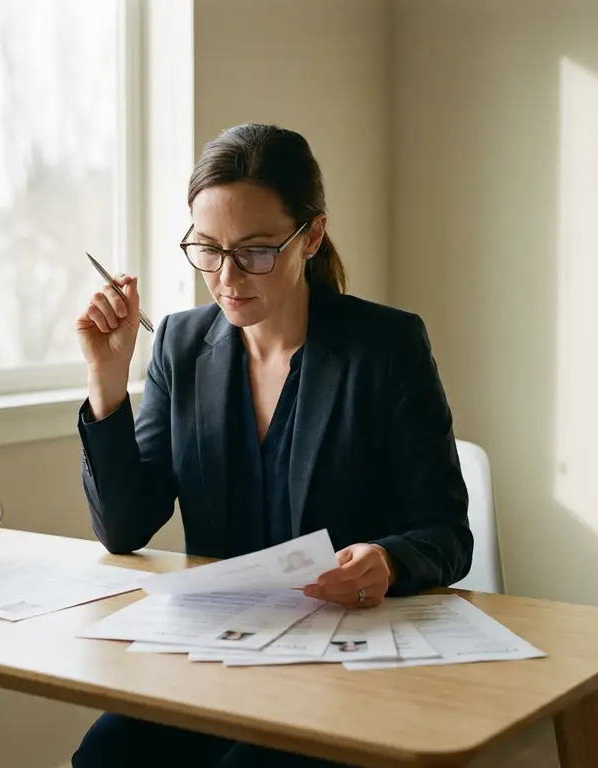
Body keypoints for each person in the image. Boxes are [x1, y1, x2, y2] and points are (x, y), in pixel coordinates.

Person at [71, 124, 473, 768]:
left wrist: (389, 561)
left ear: (310, 236)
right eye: (207, 248)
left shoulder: (386, 347)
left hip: (343, 656)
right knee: (107, 756)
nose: (227, 277)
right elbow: (124, 527)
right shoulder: (180, 344)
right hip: (224, 649)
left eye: (255, 251)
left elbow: (448, 532)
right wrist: (107, 384)